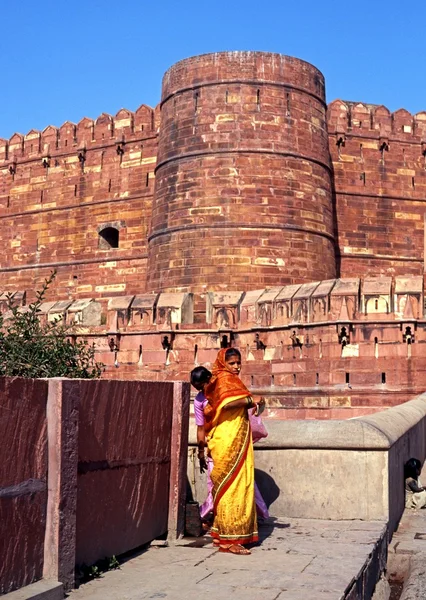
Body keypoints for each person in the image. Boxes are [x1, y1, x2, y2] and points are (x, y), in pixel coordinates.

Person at [203, 348, 265, 555]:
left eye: (238, 363)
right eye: (232, 363)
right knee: (232, 488)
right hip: (227, 441)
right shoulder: (223, 380)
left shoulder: (229, 380)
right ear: (223, 364)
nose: (237, 367)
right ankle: (230, 540)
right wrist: (251, 400)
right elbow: (227, 404)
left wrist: (254, 402)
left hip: (234, 438)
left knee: (236, 485)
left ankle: (223, 534)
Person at [190, 366, 269, 525]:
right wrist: (200, 452)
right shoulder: (199, 401)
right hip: (216, 445)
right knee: (216, 481)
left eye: (203, 386)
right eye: (198, 388)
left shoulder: (225, 391)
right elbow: (201, 427)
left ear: (210, 380)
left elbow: (246, 406)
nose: (202, 390)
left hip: (235, 442)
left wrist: (255, 402)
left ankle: (244, 518)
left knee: (242, 481)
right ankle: (217, 517)